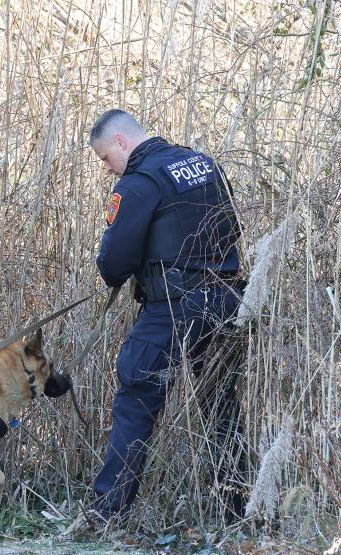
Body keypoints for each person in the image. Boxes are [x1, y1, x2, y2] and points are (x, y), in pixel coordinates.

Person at [87, 109, 244, 524]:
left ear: (121, 142)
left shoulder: (138, 185)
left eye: (105, 158)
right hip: (228, 300)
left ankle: (107, 513)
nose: (108, 169)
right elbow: (233, 229)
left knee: (136, 398)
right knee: (221, 405)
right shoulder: (202, 164)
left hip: (172, 308)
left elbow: (113, 264)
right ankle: (239, 512)